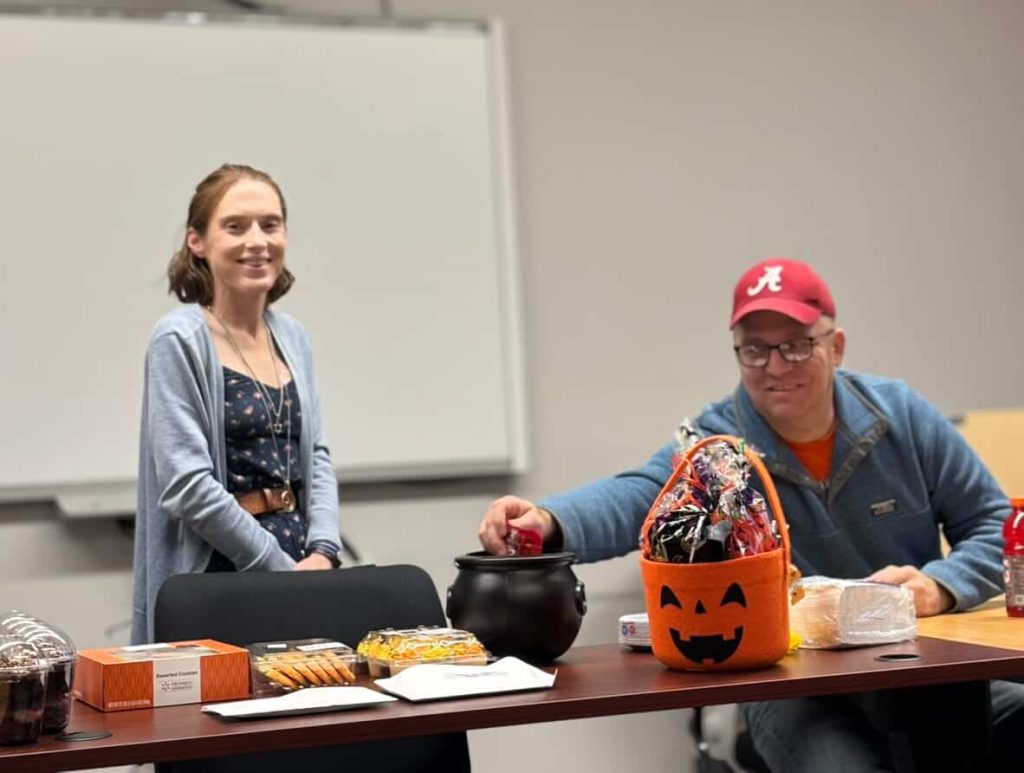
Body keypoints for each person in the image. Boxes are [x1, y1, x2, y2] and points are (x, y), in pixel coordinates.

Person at [478, 257, 1024, 770]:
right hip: (795, 682)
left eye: (795, 345)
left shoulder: (901, 415)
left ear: (835, 346)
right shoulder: (718, 447)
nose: (774, 367)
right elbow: (642, 495)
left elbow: (996, 525)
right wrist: (547, 520)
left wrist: (938, 587)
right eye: (755, 350)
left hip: (919, 667)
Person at [132, 164, 342, 645]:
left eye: (270, 224)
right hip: (221, 576)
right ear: (197, 242)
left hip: (303, 565)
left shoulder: (292, 336)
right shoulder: (178, 339)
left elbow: (318, 457)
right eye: (235, 226)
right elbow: (187, 485)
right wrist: (273, 568)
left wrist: (325, 553)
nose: (257, 241)